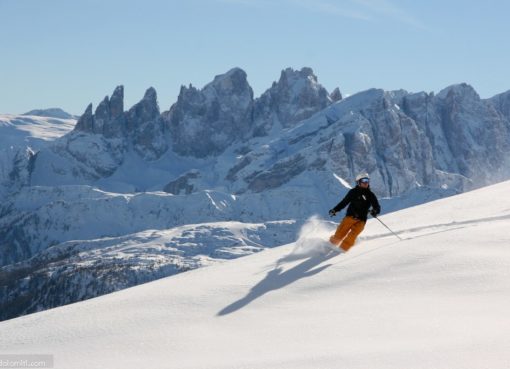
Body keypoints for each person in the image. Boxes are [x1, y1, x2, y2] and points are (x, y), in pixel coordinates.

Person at [328, 173, 381, 252]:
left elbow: (377, 206)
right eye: (364, 180)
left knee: (352, 236)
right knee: (340, 234)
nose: (366, 182)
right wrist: (335, 210)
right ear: (358, 182)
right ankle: (329, 247)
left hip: (362, 220)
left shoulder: (371, 195)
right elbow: (344, 202)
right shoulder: (353, 192)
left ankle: (342, 250)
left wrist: (375, 211)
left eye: (367, 180)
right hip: (350, 217)